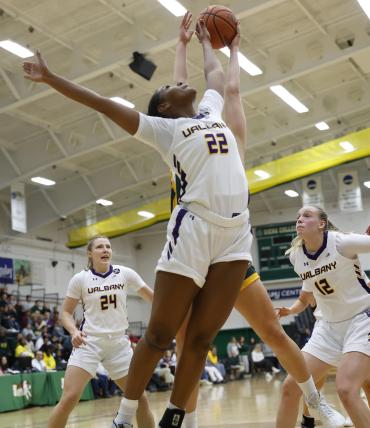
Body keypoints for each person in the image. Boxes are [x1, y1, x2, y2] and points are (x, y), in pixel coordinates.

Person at [23, 10, 255, 428]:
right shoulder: (163, 130)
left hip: (237, 232)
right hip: (194, 229)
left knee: (201, 338)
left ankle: (176, 417)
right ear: (164, 106)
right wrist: (50, 78)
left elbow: (217, 77)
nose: (181, 82)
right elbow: (103, 103)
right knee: (159, 335)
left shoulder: (209, 111)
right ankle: (125, 415)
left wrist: (210, 40)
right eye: (170, 86)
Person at [172, 12, 345, 428]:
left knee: (271, 330)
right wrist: (184, 46)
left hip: (229, 252)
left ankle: (315, 401)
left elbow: (230, 88)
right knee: (186, 345)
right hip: (190, 249)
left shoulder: (234, 148)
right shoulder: (180, 137)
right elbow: (175, 94)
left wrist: (230, 49)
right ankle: (188, 421)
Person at [32, 236, 154, 428]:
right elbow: (65, 313)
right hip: (89, 343)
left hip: (119, 346)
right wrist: (73, 331)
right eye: (99, 247)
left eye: (108, 246)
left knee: (140, 399)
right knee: (69, 399)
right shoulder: (80, 279)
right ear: (90, 253)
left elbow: (153, 298)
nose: (105, 250)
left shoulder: (125, 273)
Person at [275, 205, 370, 428]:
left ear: (321, 224)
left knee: (347, 388)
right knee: (291, 387)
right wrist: (289, 310)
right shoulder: (296, 257)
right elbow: (308, 293)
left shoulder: (341, 242)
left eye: (306, 216)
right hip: (328, 327)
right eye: (297, 217)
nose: (299, 220)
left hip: (362, 319)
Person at [278, 272, 370, 427]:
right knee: (295, 385)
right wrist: (291, 310)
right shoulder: (302, 258)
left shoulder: (343, 251)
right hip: (326, 328)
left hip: (360, 323)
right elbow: (303, 298)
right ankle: (308, 418)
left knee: (365, 384)